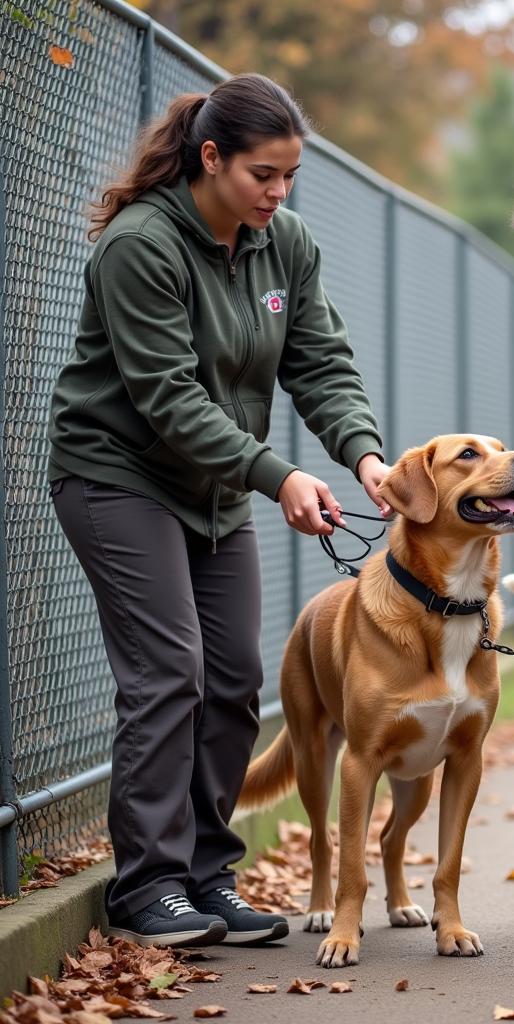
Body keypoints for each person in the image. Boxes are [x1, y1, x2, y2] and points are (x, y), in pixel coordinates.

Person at [48, 73, 391, 948]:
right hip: (117, 476)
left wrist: (363, 453)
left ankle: (207, 877)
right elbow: (167, 397)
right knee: (169, 672)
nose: (278, 194)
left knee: (234, 678)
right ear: (211, 158)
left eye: (289, 177)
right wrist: (278, 476)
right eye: (262, 176)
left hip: (215, 490)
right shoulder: (142, 245)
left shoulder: (286, 245)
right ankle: (147, 887)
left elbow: (319, 361)